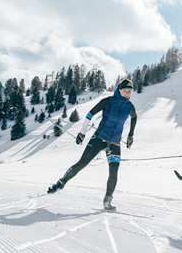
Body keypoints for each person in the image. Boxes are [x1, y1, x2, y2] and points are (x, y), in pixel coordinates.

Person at [47, 78, 137, 210]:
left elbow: (134, 117)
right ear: (119, 90)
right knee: (82, 163)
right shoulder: (108, 101)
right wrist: (82, 133)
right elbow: (90, 114)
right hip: (99, 138)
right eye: (126, 91)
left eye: (130, 91)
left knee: (114, 172)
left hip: (114, 143)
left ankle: (107, 200)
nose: (128, 93)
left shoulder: (130, 106)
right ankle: (61, 182)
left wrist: (131, 135)